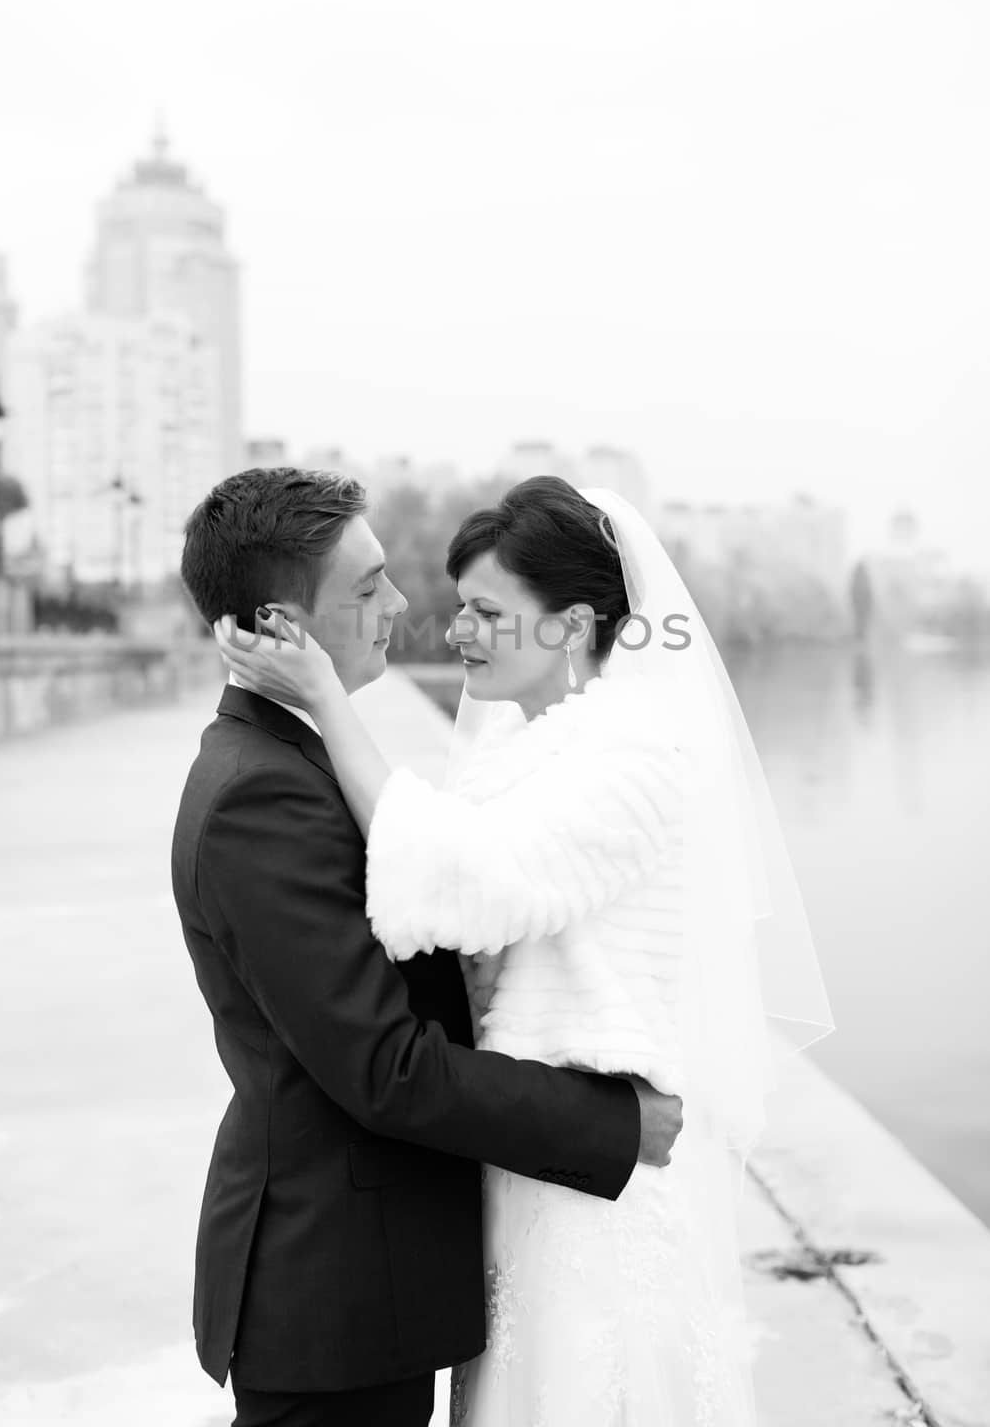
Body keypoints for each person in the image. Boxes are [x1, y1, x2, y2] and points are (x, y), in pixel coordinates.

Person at [217, 473, 833, 1427]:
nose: (452, 629)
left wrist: (328, 702)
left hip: (592, 1177)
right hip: (522, 1155)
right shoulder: (515, 751)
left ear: (571, 624)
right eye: (459, 606)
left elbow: (466, 885)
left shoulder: (632, 756)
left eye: (483, 611)